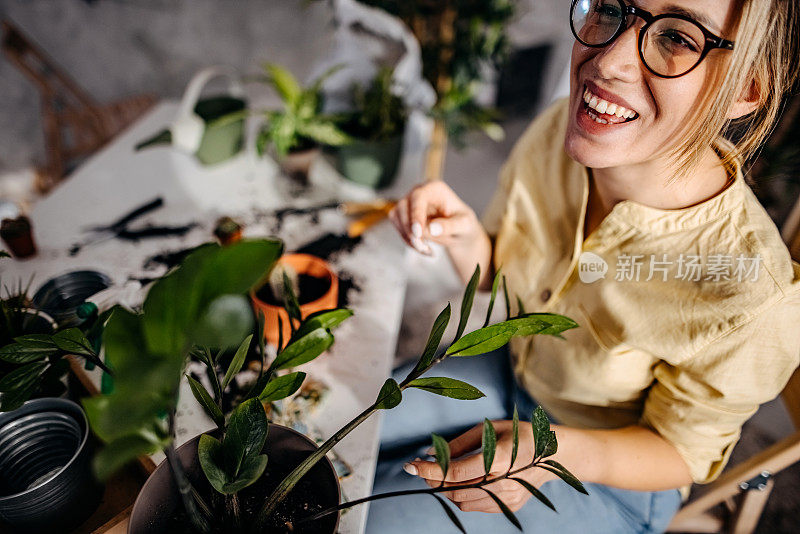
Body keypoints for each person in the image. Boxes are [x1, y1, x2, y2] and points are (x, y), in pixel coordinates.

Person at [367, 1, 800, 532]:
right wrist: (464, 237)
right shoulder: (560, 132)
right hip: (514, 371)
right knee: (330, 437)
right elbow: (512, 287)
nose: (607, 60)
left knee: (374, 517)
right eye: (613, 8)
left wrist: (550, 452)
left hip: (611, 478)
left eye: (678, 39)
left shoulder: (750, 294)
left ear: (746, 89)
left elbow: (682, 454)